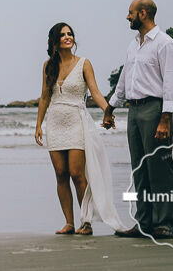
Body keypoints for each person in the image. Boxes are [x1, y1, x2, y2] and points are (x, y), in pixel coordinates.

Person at [35, 22, 125, 235]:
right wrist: (38, 124)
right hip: (55, 123)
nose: (68, 37)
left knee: (77, 173)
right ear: (55, 40)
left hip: (77, 121)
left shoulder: (84, 63)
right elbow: (45, 96)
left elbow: (95, 92)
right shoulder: (48, 65)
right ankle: (69, 222)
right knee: (60, 174)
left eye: (70, 34)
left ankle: (86, 222)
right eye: (63, 34)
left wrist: (107, 111)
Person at [104, 0, 173, 239]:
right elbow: (125, 78)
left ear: (143, 14)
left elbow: (170, 82)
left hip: (155, 110)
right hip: (134, 111)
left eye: (130, 13)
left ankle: (164, 224)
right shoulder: (133, 44)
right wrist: (111, 107)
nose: (128, 17)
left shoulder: (165, 44)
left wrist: (165, 117)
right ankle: (144, 223)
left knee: (160, 168)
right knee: (140, 169)